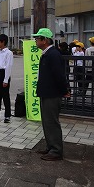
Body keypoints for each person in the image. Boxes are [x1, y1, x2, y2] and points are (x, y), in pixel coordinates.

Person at [33, 28, 69, 161]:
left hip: (52, 94)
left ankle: (56, 151)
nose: (35, 40)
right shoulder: (46, 53)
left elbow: (59, 75)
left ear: (45, 40)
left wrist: (64, 90)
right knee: (47, 122)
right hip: (46, 93)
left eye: (37, 38)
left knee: (52, 122)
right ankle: (50, 147)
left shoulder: (53, 54)